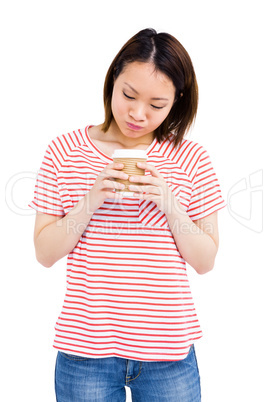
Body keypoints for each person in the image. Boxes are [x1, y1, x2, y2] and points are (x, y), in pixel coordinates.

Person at [30, 28, 225, 402]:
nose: (137, 114)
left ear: (177, 101)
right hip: (85, 349)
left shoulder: (192, 158)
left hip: (168, 351)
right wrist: (90, 200)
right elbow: (44, 253)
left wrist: (169, 203)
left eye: (156, 104)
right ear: (112, 80)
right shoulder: (64, 151)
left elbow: (205, 261)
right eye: (129, 95)